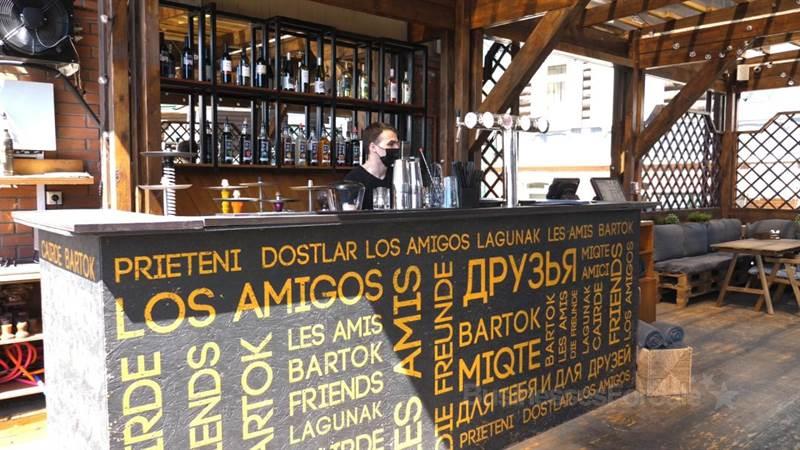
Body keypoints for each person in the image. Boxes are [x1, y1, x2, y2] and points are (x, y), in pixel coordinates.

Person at [345, 122, 401, 209]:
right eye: (391, 144)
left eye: (397, 144)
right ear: (373, 147)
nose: (397, 148)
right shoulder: (353, 180)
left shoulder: (398, 176)